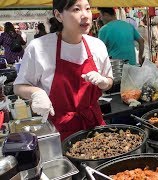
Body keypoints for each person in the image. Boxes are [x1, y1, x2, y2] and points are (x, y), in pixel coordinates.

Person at [13, 0, 114, 140]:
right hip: (59, 131)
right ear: (59, 15)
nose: (85, 15)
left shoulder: (97, 45)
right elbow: (18, 87)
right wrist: (36, 93)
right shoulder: (39, 47)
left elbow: (109, 81)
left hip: (94, 128)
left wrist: (104, 82)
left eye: (88, 9)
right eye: (76, 9)